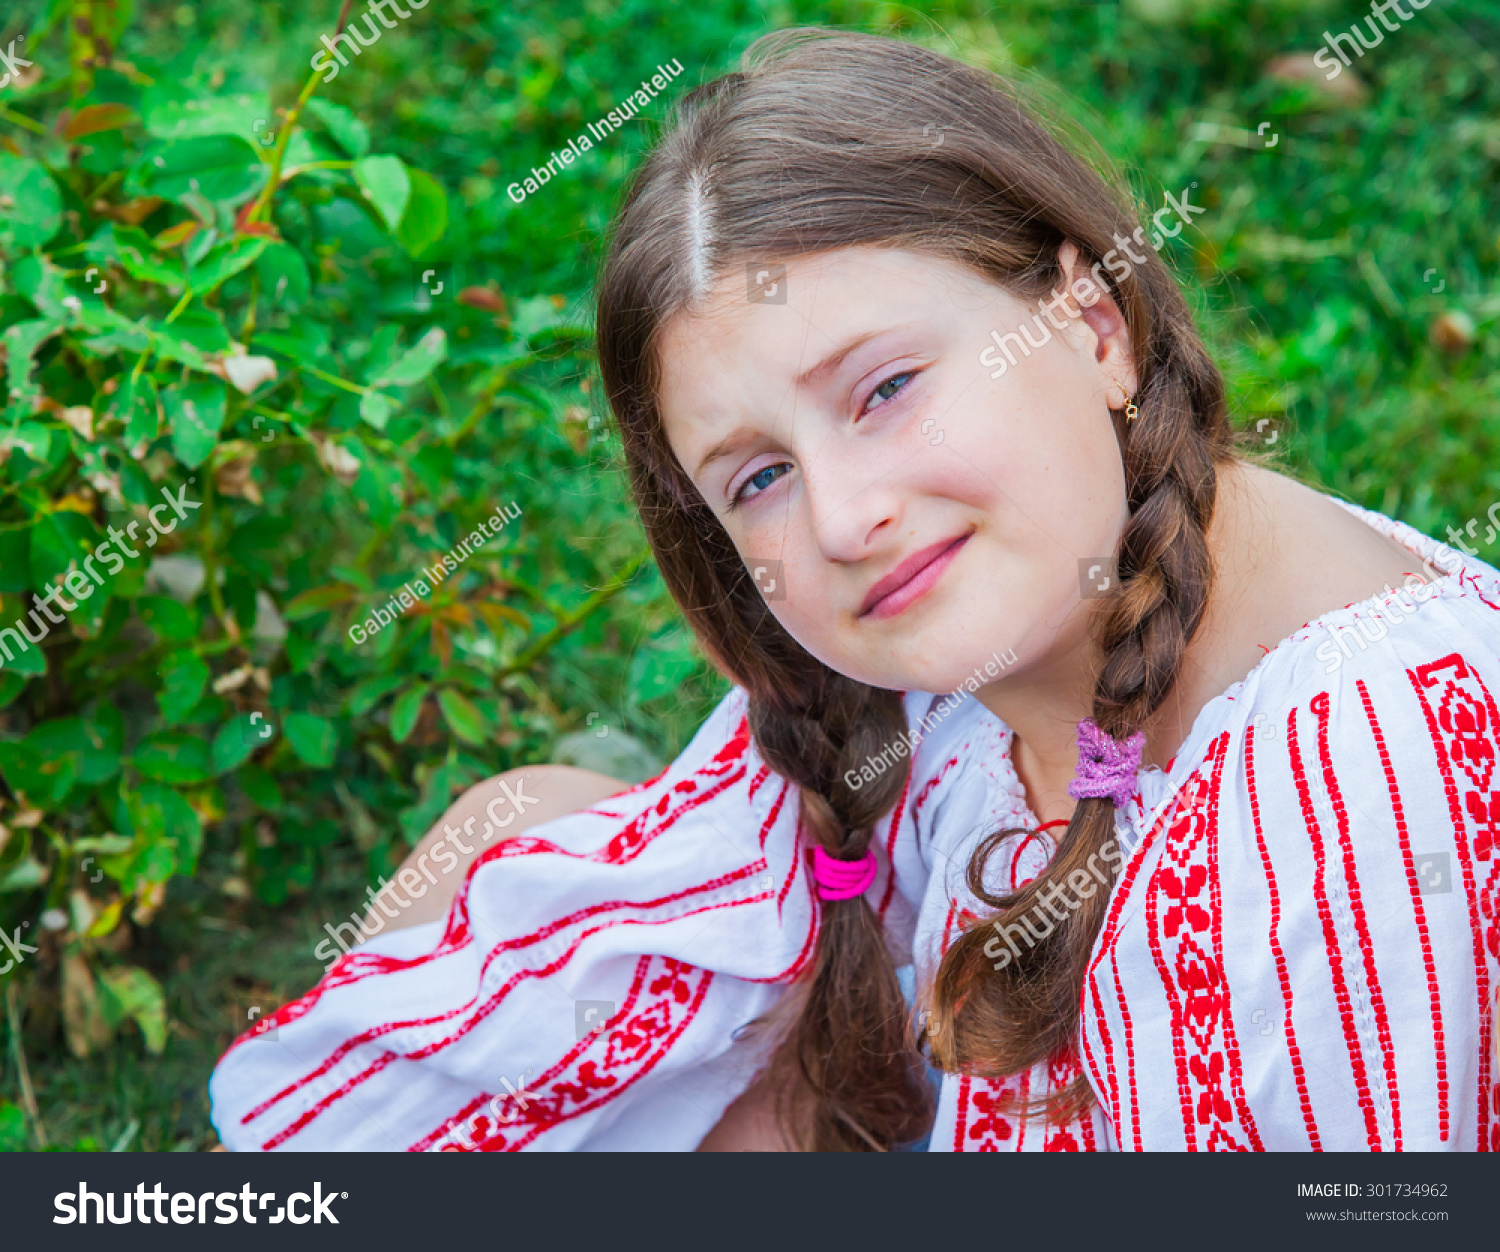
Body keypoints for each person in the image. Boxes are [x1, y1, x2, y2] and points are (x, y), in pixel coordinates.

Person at [209, 28, 1500, 1152]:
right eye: (759, 475)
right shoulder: (981, 648)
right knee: (518, 827)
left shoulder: (1352, 794)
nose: (844, 518)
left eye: (884, 389)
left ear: (1092, 323)